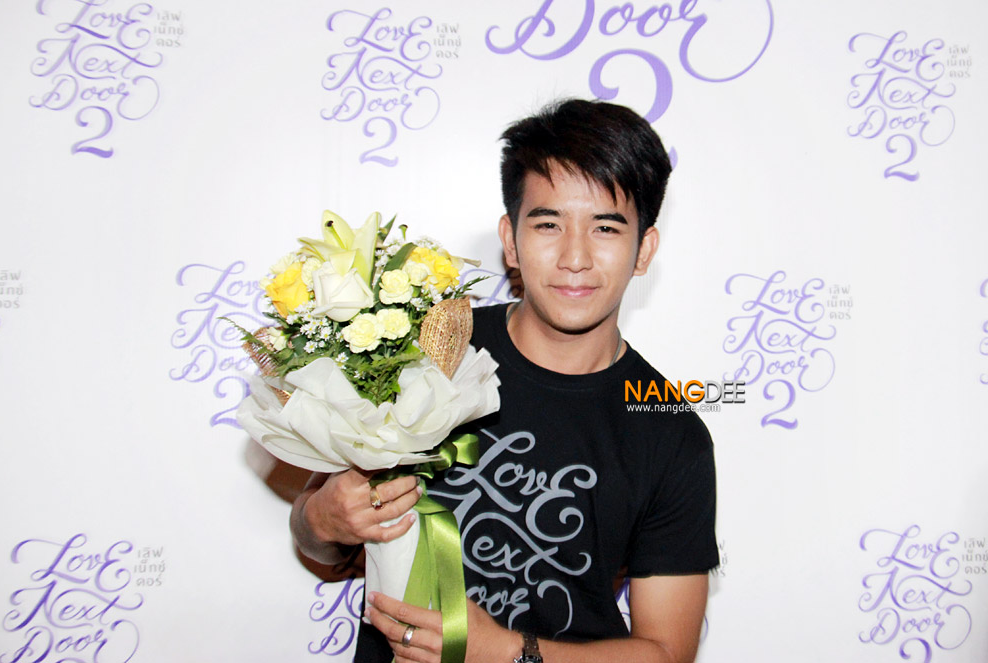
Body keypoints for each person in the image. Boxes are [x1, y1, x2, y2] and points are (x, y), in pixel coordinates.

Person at [290, 98, 719, 663]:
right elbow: (316, 535)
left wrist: (505, 651)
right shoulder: (427, 349)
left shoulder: (669, 430)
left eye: (605, 227)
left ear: (645, 250)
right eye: (548, 224)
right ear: (510, 241)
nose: (574, 257)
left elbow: (666, 653)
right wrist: (322, 517)